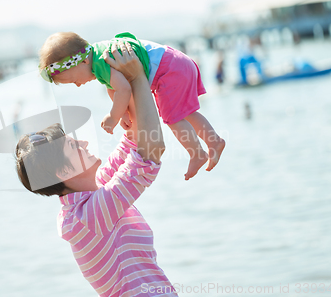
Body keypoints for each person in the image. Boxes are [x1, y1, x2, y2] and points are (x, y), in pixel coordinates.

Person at [15, 44, 178, 296]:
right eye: (72, 145)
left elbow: (135, 139)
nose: (83, 142)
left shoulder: (93, 191)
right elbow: (151, 152)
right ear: (62, 173)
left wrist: (119, 77)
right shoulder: (85, 217)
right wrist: (137, 79)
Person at [38, 32, 225, 180]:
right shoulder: (98, 57)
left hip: (168, 71)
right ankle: (214, 141)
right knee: (187, 113)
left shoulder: (101, 61)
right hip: (177, 62)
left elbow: (124, 89)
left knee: (172, 118)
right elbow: (114, 86)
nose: (78, 84)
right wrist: (125, 111)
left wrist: (114, 116)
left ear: (83, 60)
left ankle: (197, 153)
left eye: (74, 80)